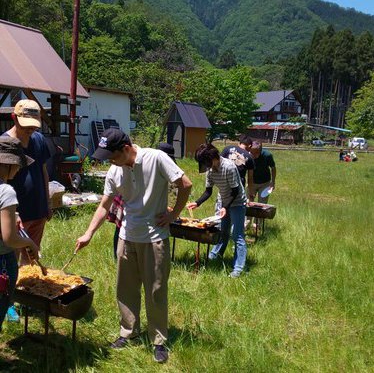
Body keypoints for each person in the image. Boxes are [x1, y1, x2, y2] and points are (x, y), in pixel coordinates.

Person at [75, 129, 192, 363]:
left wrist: (174, 215)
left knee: (155, 291)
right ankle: (128, 332)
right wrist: (88, 233)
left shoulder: (156, 157)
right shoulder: (114, 170)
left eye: (113, 156)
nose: (110, 161)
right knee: (125, 289)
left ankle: (158, 340)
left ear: (127, 148)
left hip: (154, 237)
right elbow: (104, 206)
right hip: (127, 236)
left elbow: (185, 184)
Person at [2, 99, 51, 322]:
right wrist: (13, 216)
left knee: (29, 259)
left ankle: (27, 298)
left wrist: (47, 203)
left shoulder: (39, 140)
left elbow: (42, 171)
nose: (30, 131)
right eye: (26, 126)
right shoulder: (3, 144)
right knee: (8, 260)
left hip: (37, 209)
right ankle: (8, 300)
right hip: (11, 214)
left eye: (34, 126)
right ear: (14, 118)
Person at [187, 143, 247, 278]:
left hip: (237, 202)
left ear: (213, 157)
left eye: (206, 162)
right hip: (224, 201)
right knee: (223, 231)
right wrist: (197, 203)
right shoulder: (210, 170)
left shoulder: (229, 167)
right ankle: (216, 255)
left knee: (237, 235)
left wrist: (226, 207)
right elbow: (208, 191)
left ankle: (238, 268)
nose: (206, 166)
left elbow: (235, 191)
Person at [0, 137, 39, 331]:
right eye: (17, 165)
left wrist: (10, 214)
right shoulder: (6, 191)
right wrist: (30, 243)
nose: (18, 170)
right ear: (7, 163)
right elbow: (9, 238)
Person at [220, 133, 255, 197]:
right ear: (249, 146)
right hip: (238, 183)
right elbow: (250, 177)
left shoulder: (227, 149)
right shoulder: (249, 156)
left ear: (239, 143)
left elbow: (219, 163)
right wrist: (251, 191)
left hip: (224, 182)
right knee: (237, 203)